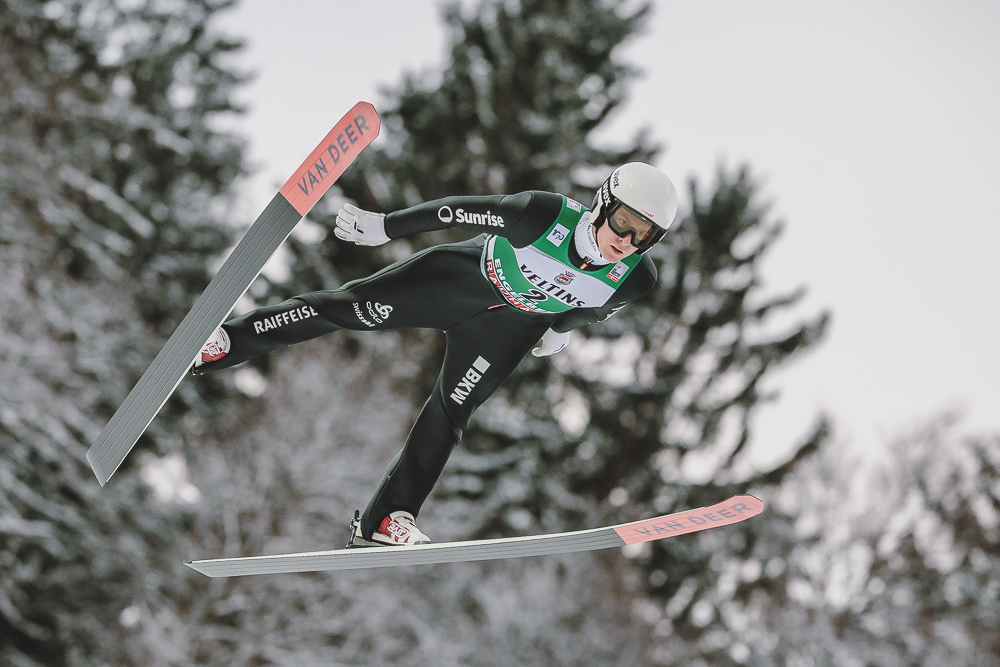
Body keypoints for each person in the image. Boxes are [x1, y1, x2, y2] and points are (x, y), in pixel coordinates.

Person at [192, 162, 679, 546]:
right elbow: (456, 211)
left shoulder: (636, 277)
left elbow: (596, 308)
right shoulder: (543, 215)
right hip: (459, 281)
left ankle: (387, 519)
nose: (627, 241)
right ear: (603, 204)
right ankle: (228, 342)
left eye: (645, 236)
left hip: (507, 328)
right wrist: (386, 226)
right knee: (349, 310)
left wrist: (559, 328)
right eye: (624, 223)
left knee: (453, 408)